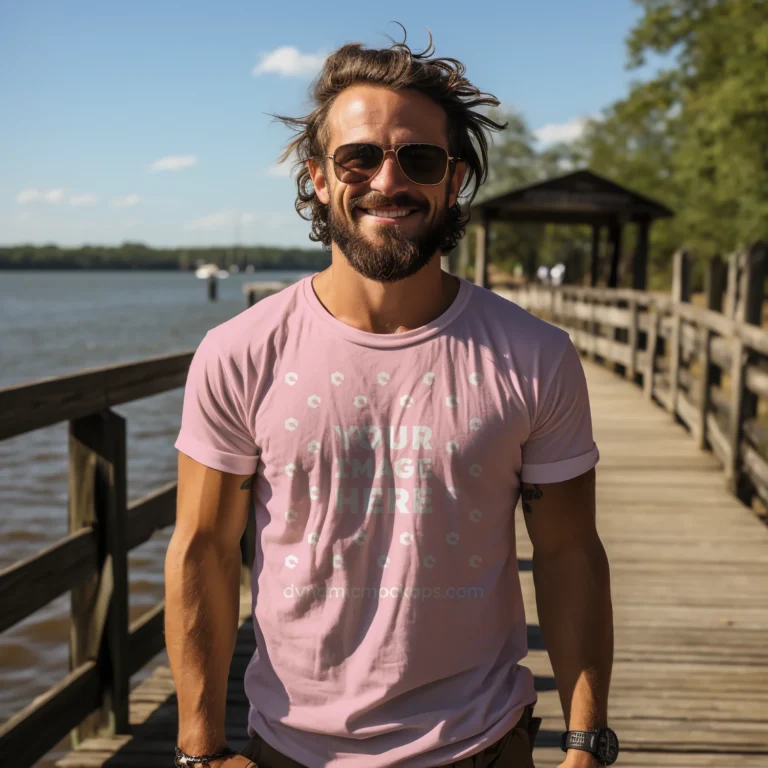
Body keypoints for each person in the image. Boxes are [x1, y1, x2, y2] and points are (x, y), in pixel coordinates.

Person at [167, 25, 615, 768]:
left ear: (455, 176)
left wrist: (587, 741)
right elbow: (203, 552)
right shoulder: (240, 353)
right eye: (359, 157)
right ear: (318, 175)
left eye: (419, 158)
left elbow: (569, 552)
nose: (388, 180)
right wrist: (199, 749)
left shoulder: (536, 357)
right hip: (288, 747)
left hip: (480, 743)